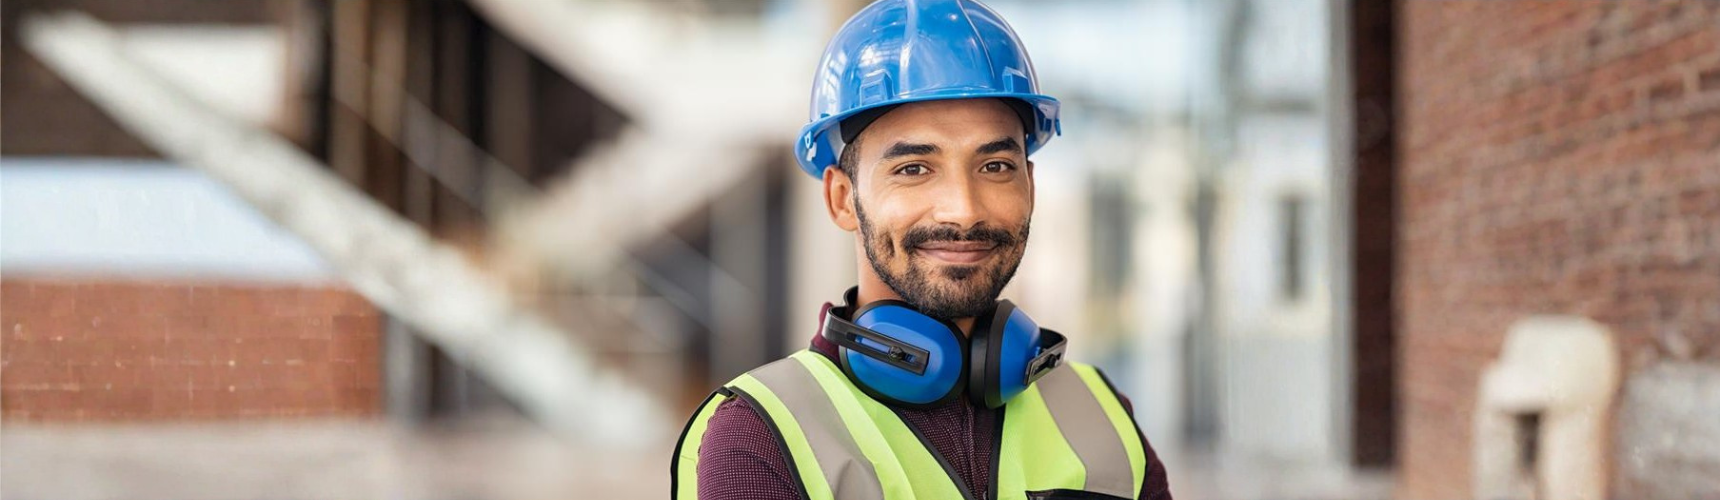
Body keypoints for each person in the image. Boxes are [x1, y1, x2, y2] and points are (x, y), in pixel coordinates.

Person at [672, 1, 1172, 499]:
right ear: (842, 199)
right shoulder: (760, 439)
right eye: (913, 169)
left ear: (1031, 186)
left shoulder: (1102, 418)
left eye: (995, 166)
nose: (963, 210)